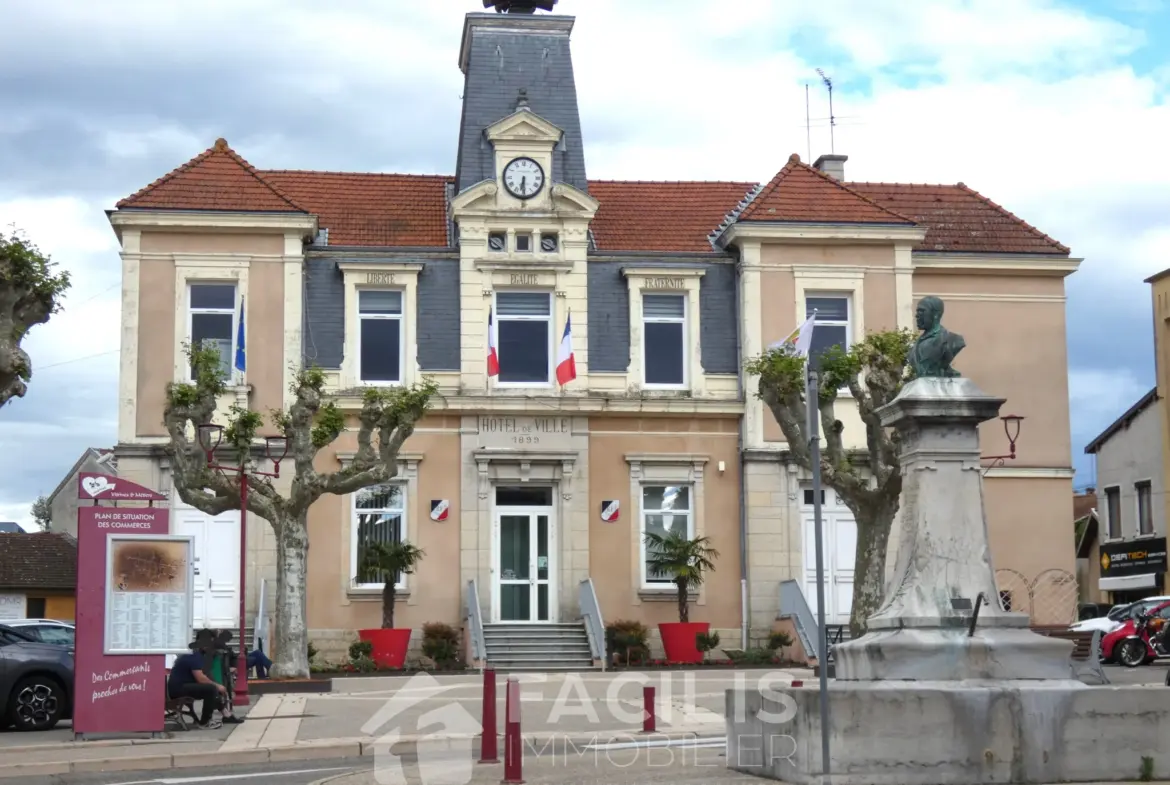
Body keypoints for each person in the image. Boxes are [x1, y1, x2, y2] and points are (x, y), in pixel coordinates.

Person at [168, 636, 226, 729]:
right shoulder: (194, 655)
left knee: (212, 688)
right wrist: (217, 686)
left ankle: (225, 713)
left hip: (179, 687)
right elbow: (200, 678)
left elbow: (204, 676)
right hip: (178, 689)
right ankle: (205, 722)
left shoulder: (194, 654)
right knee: (211, 689)